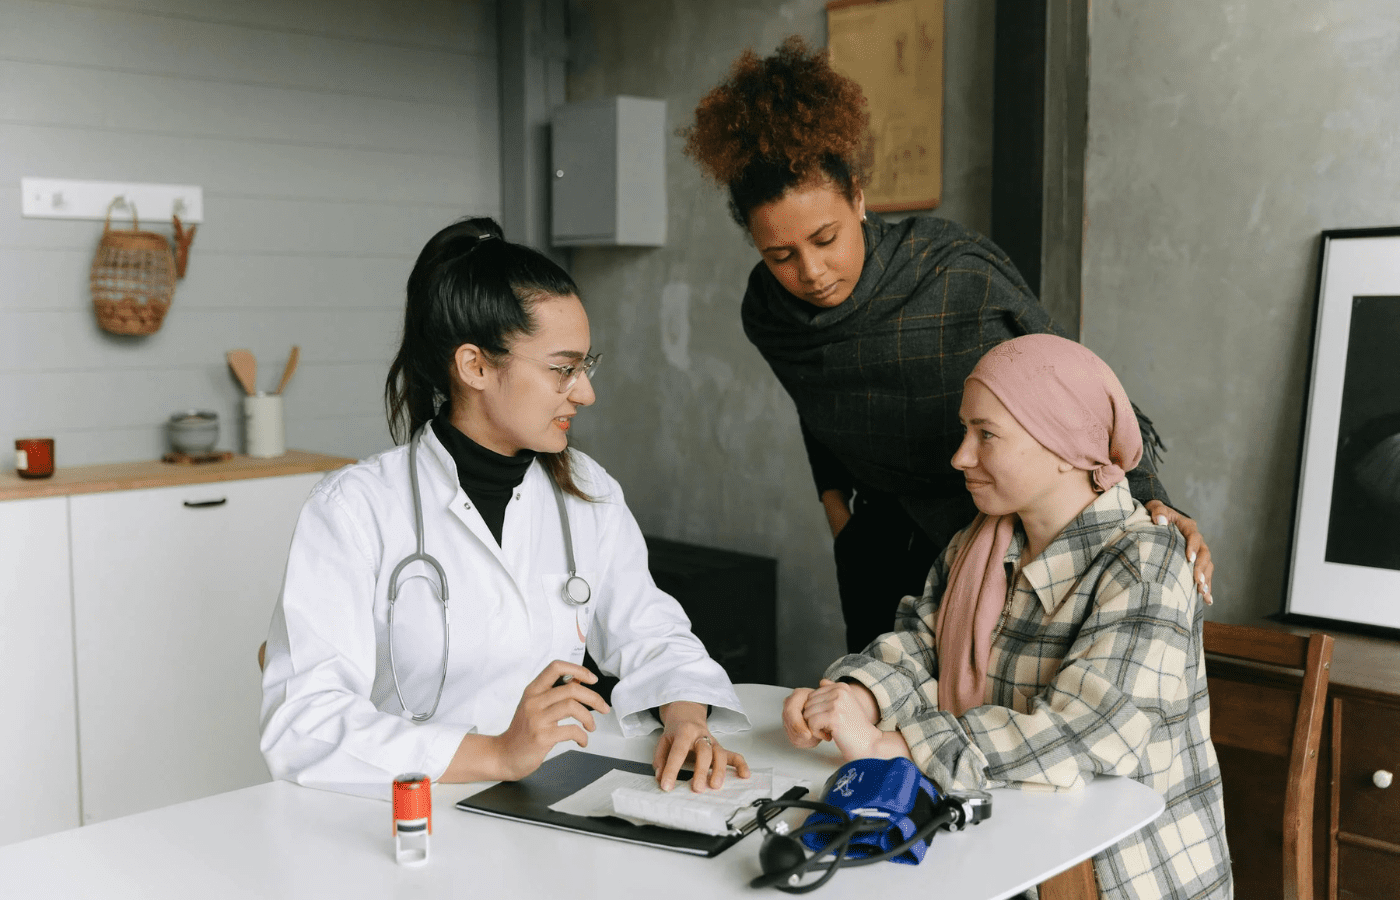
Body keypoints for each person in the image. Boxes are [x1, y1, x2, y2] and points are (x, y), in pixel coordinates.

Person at [682, 37, 1214, 654]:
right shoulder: (768, 313)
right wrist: (836, 508)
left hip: (998, 529)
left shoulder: (951, 272)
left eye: (826, 238)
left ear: (858, 197)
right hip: (879, 542)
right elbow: (819, 408)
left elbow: (1079, 390)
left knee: (986, 711)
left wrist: (1153, 500)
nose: (812, 271)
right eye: (780, 254)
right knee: (879, 700)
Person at [260, 218, 750, 798]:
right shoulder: (354, 509)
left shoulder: (587, 491)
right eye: (562, 368)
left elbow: (654, 634)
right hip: (409, 814)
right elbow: (303, 724)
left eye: (585, 365)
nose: (585, 392)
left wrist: (687, 718)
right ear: (475, 367)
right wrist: (497, 754)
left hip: (551, 800)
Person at [782, 334, 1231, 899]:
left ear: (1064, 446)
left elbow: (1089, 734)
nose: (960, 456)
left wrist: (894, 746)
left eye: (985, 435)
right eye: (965, 431)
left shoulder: (1148, 563)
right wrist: (855, 696)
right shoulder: (981, 540)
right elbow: (923, 645)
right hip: (998, 843)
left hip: (1113, 876)